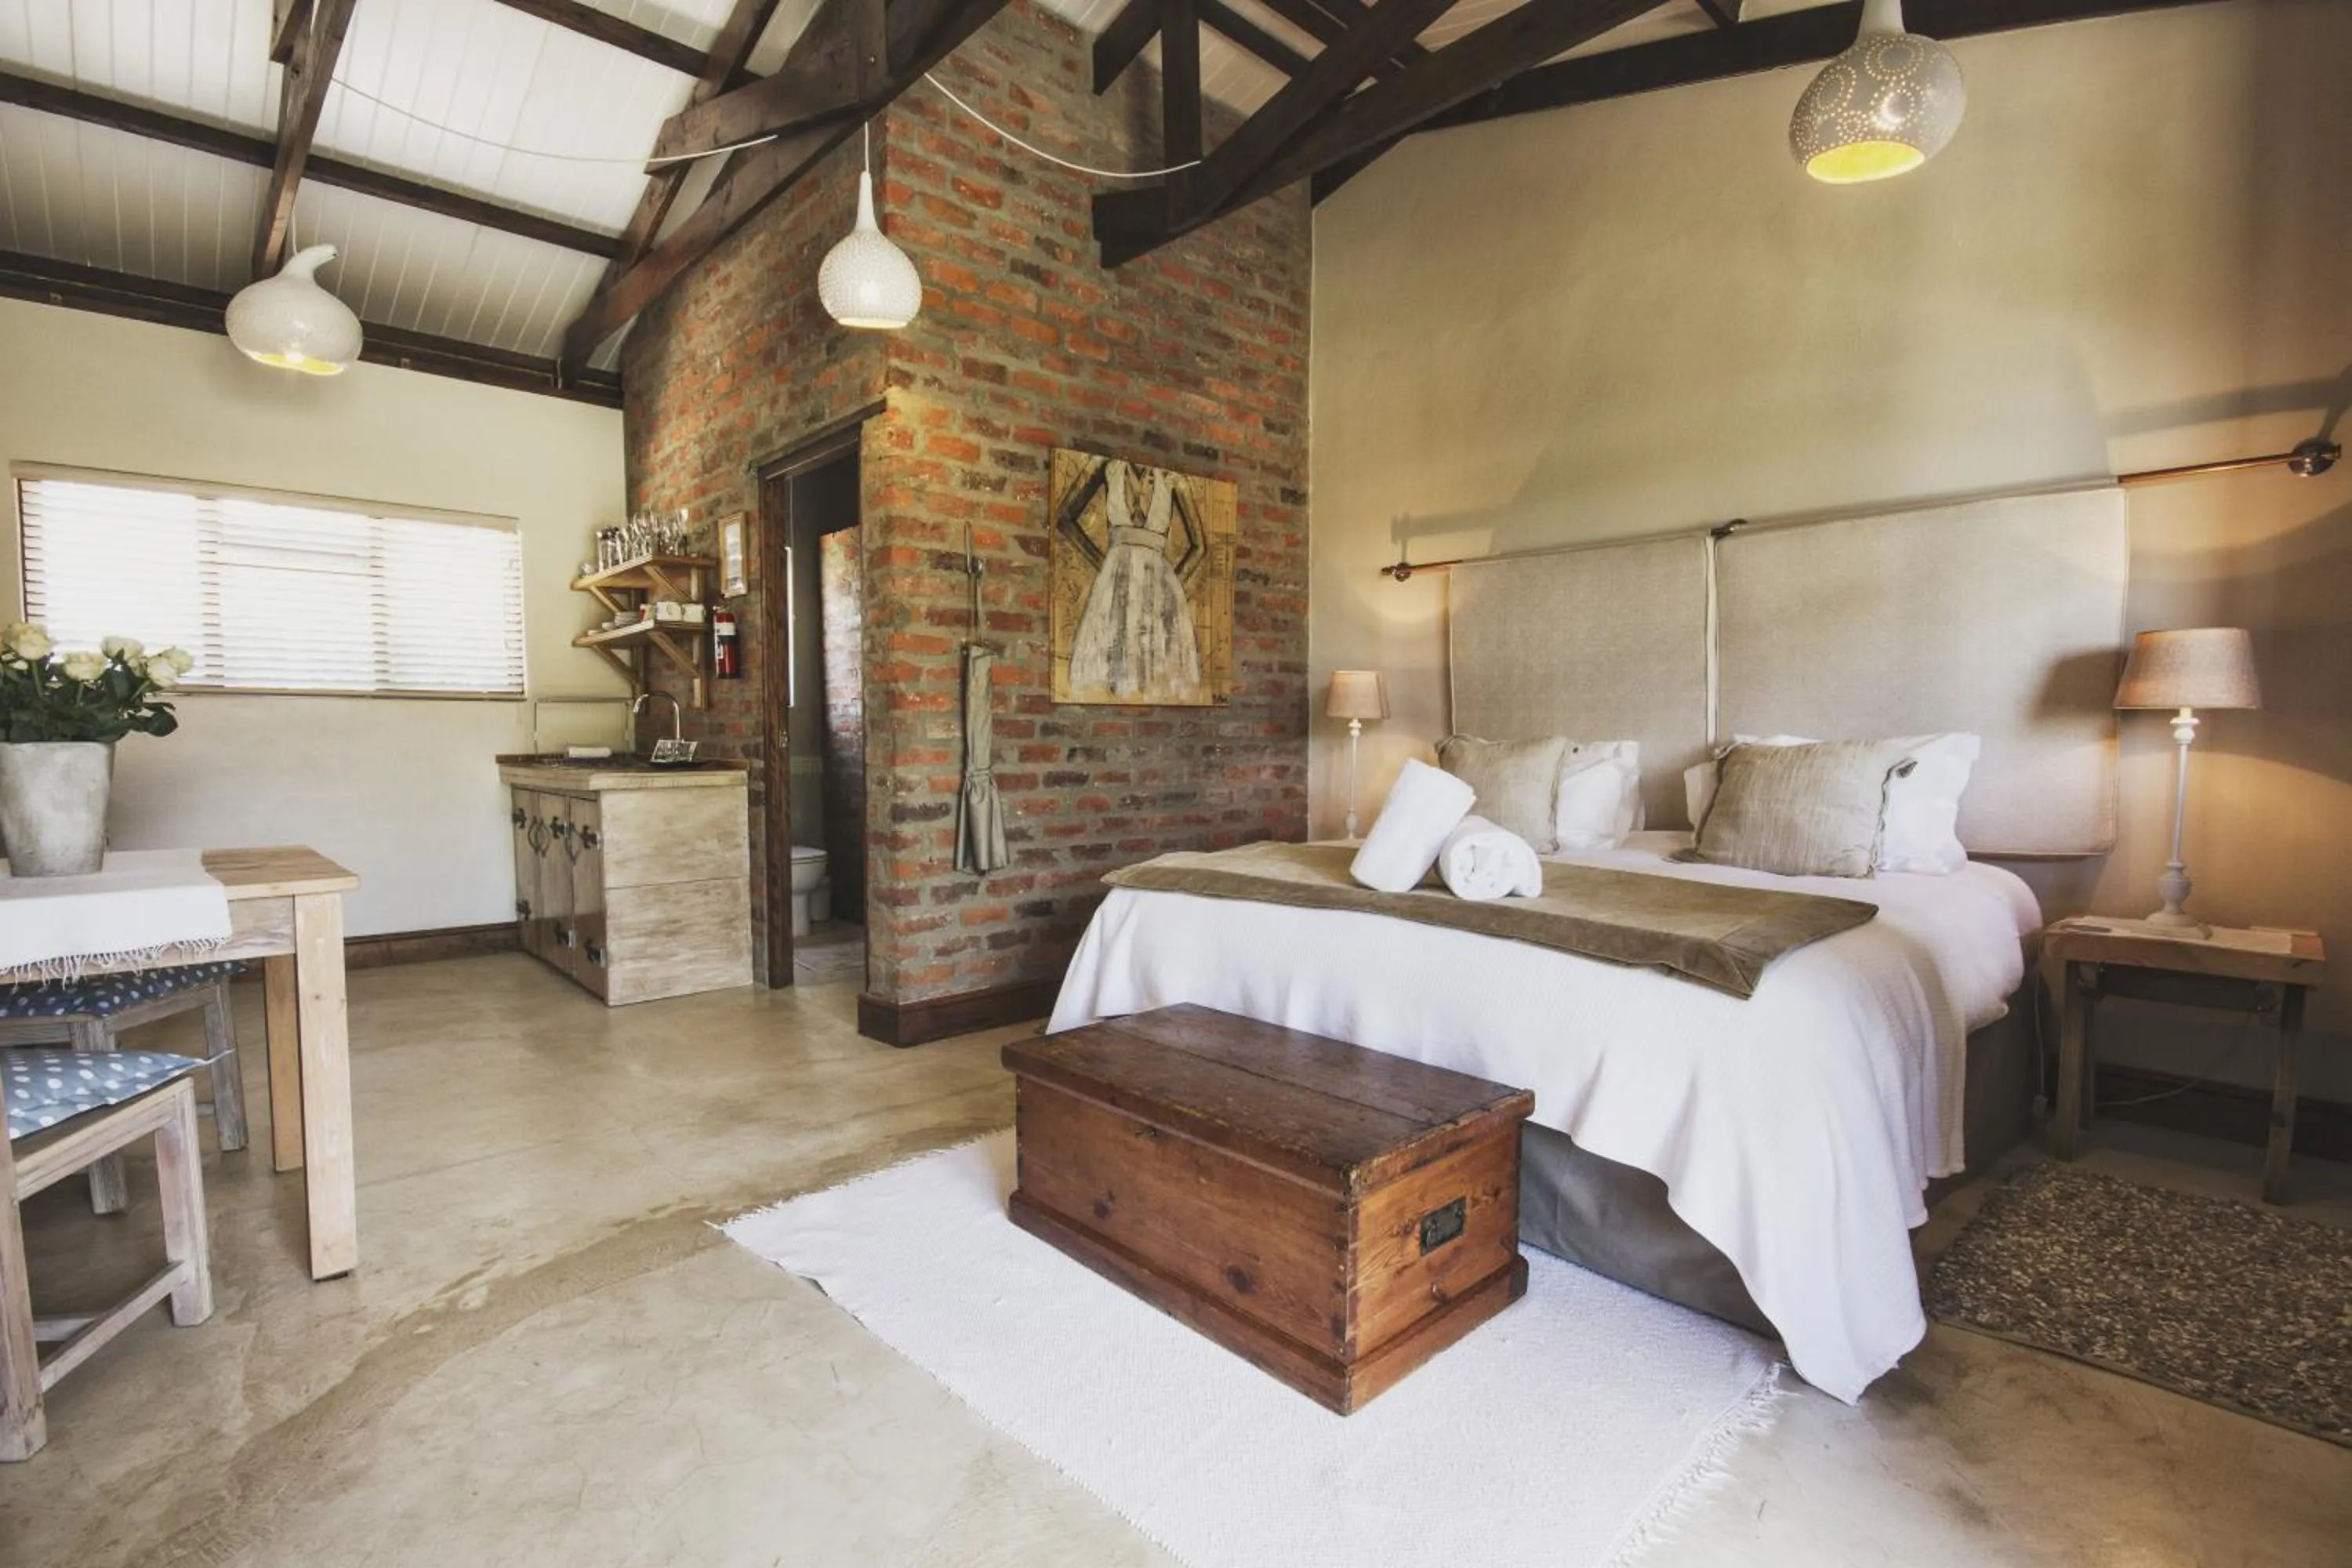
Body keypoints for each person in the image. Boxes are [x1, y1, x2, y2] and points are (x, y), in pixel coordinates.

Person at [1068, 460, 1201, 699]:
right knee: (1113, 673)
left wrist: (1169, 588)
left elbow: (1199, 546)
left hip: (1156, 597)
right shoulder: (1108, 466)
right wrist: (1108, 566)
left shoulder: (1171, 476)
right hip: (1116, 595)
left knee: (1154, 674)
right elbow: (1065, 519)